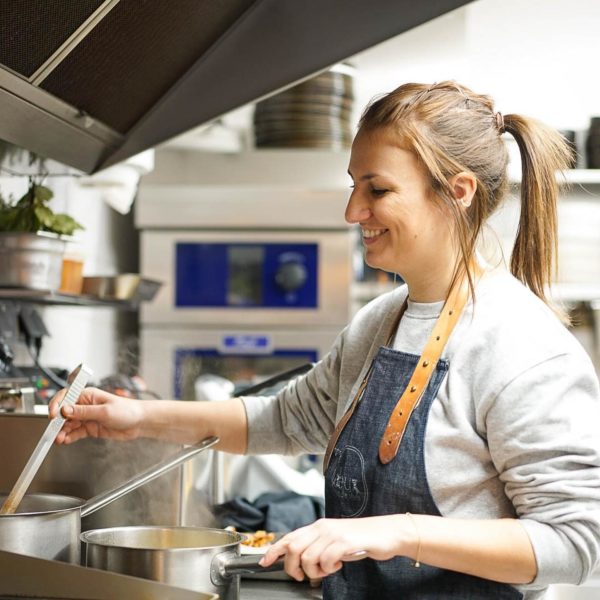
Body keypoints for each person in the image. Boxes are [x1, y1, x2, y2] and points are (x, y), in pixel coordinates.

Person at [50, 81, 600, 599]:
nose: (353, 211)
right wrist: (137, 418)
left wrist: (400, 533)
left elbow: (575, 542)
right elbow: (285, 421)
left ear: (456, 192)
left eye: (377, 189)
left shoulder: (523, 346)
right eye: (354, 185)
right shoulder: (379, 320)